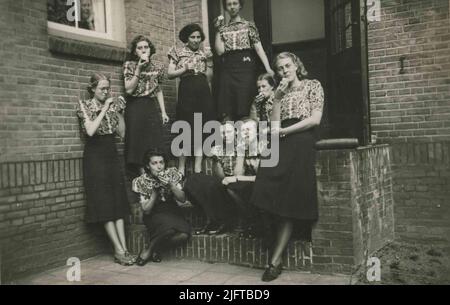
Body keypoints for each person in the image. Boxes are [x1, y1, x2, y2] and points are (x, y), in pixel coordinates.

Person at [250, 52, 324, 282]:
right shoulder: (277, 93)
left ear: (296, 65)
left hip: (301, 141)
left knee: (287, 201)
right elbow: (273, 126)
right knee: (261, 191)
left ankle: (275, 260)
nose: (284, 71)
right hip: (278, 142)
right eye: (280, 68)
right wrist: (279, 98)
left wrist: (285, 131)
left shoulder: (312, 86)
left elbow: (315, 119)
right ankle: (273, 245)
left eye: (288, 66)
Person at [76, 73, 135, 266]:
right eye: (102, 88)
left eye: (107, 88)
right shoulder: (84, 105)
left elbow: (122, 133)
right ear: (92, 89)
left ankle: (125, 249)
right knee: (104, 203)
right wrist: (104, 109)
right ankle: (117, 250)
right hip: (95, 156)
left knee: (117, 202)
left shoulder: (111, 107)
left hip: (110, 153)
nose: (105, 91)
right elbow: (91, 130)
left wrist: (119, 111)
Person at [213, 0, 274, 121]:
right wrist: (217, 30)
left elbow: (258, 48)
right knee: (228, 107)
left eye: (235, 3)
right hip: (229, 68)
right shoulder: (223, 28)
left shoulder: (249, 25)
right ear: (226, 7)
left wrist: (268, 68)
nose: (232, 7)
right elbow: (220, 51)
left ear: (240, 5)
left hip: (246, 66)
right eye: (229, 4)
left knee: (245, 103)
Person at [168, 23, 215, 176]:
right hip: (187, 91)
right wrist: (184, 69)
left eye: (198, 37)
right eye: (192, 37)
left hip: (202, 92)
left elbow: (208, 78)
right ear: (186, 39)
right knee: (185, 127)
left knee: (200, 128)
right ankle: (181, 168)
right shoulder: (177, 52)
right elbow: (170, 74)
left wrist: (209, 62)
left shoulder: (204, 54)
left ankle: (197, 167)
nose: (196, 40)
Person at [132, 150, 191, 266]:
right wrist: (154, 193)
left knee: (184, 235)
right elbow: (146, 210)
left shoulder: (172, 174)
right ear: (148, 166)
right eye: (154, 163)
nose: (159, 167)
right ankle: (148, 251)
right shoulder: (141, 181)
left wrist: (172, 186)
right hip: (154, 213)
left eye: (161, 163)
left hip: (171, 210)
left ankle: (157, 248)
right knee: (168, 229)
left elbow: (182, 199)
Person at [123, 35, 170, 176]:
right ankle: (143, 177)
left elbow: (158, 89)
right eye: (139, 48)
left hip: (150, 106)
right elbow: (129, 89)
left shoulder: (158, 67)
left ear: (150, 50)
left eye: (146, 47)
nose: (143, 50)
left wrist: (163, 112)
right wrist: (138, 68)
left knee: (153, 141)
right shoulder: (129, 65)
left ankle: (155, 176)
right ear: (135, 51)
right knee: (138, 143)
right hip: (135, 106)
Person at [183, 122, 237, 235]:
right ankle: (212, 219)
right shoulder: (219, 149)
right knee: (193, 180)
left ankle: (223, 221)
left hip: (239, 184)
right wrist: (217, 160)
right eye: (223, 133)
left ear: (236, 132)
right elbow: (219, 177)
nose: (225, 135)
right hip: (224, 182)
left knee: (212, 186)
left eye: (229, 132)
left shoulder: (242, 147)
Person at [222, 118, 262, 237]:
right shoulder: (244, 149)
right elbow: (237, 174)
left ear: (257, 132)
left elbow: (263, 178)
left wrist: (238, 179)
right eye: (242, 131)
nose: (245, 133)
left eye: (249, 129)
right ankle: (251, 219)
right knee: (231, 187)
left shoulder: (265, 147)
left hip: (268, 186)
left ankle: (259, 223)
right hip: (255, 184)